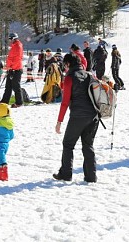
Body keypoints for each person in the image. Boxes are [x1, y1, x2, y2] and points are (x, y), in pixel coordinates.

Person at [53, 53, 99, 183]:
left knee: (68, 144)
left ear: (68, 64)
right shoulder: (90, 74)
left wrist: (59, 121)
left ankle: (66, 174)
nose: (65, 69)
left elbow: (65, 102)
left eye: (65, 66)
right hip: (93, 116)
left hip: (78, 116)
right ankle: (91, 176)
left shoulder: (69, 78)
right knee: (88, 145)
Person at [0, 33, 24, 107]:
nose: (10, 40)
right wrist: (9, 68)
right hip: (11, 69)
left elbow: (17, 59)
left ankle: (19, 102)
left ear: (14, 38)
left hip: (16, 69)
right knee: (8, 86)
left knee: (16, 86)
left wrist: (12, 68)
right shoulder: (13, 46)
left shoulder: (18, 46)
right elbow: (10, 58)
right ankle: (5, 101)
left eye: (11, 39)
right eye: (9, 39)